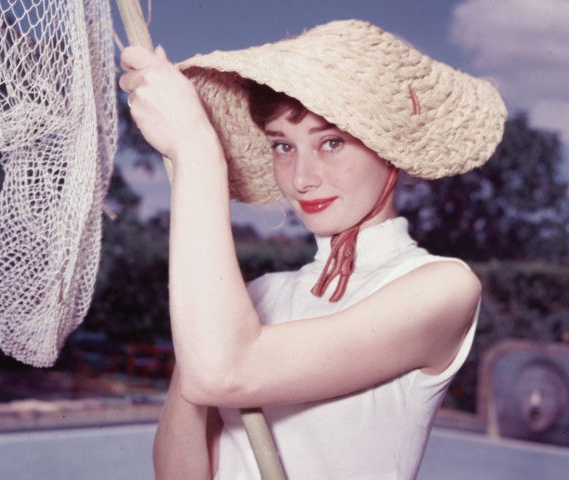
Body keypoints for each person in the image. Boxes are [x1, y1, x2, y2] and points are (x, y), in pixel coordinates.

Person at [119, 19, 506, 480]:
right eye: (283, 146)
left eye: (331, 142)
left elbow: (224, 371)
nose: (302, 178)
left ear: (390, 149)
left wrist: (197, 151)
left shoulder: (441, 287)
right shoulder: (257, 297)